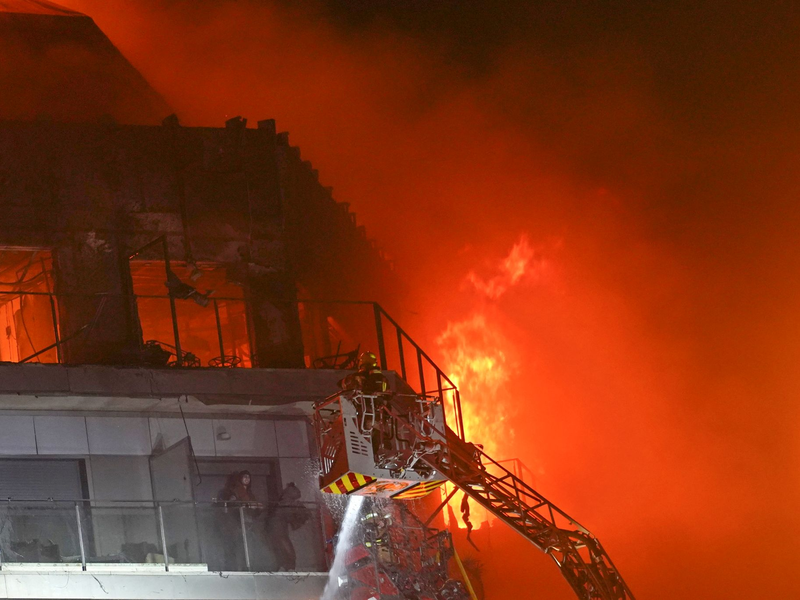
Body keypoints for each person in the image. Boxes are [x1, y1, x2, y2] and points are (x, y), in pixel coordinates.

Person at [215, 471, 262, 570]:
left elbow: (257, 507)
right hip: (238, 523)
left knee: (250, 546)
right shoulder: (234, 491)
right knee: (238, 546)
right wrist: (248, 505)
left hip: (249, 522)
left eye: (248, 477)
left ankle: (250, 566)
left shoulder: (250, 493)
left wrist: (257, 507)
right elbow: (232, 504)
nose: (247, 479)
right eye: (244, 477)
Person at [264, 482, 310, 571]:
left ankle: (284, 566)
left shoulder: (284, 502)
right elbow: (290, 516)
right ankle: (288, 567)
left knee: (280, 549)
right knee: (286, 549)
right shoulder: (287, 503)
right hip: (278, 529)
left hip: (278, 529)